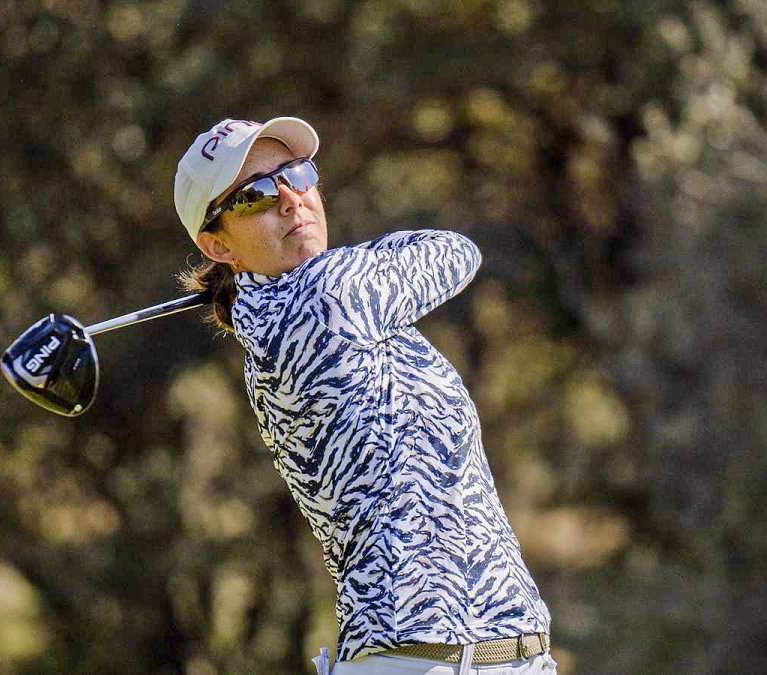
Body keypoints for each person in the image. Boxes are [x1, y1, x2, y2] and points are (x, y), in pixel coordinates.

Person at [173, 117, 556, 675]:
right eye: (253, 196)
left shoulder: (315, 309)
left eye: (297, 174)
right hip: (423, 660)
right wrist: (339, 262)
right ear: (217, 245)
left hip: (498, 655)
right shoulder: (330, 298)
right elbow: (454, 250)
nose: (290, 199)